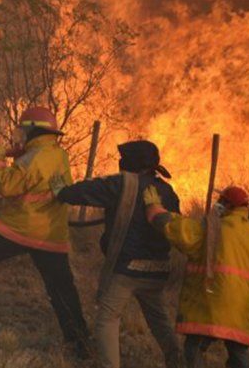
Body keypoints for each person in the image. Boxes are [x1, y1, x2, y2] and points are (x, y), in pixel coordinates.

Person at [0, 106, 90, 358]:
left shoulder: (33, 158)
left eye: (23, 129)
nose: (19, 134)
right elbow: (30, 158)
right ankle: (81, 344)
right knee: (62, 289)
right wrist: (0, 152)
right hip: (52, 232)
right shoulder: (56, 154)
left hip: (22, 226)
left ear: (32, 130)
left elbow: (7, 185)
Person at [51, 140, 183, 368]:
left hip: (128, 269)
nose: (120, 162)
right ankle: (178, 362)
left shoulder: (122, 183)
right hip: (158, 268)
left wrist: (61, 191)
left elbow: (84, 191)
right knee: (159, 320)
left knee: (107, 320)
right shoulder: (167, 190)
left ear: (132, 162)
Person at [143, 185, 249, 368]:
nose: (217, 205)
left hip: (211, 305)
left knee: (194, 348)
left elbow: (181, 232)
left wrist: (156, 211)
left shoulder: (213, 229)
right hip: (243, 310)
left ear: (228, 205)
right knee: (238, 354)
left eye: (221, 201)